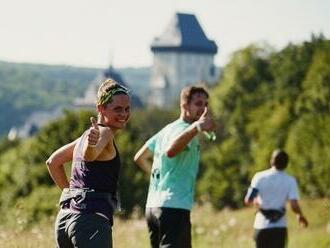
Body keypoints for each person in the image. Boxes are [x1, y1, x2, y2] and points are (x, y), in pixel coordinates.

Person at [46, 78, 131, 248]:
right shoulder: (105, 132)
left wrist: (71, 195)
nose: (124, 114)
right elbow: (90, 156)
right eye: (117, 109)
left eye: (127, 109)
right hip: (90, 222)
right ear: (100, 109)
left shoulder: (84, 137)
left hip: (65, 218)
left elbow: (53, 162)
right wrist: (92, 147)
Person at [134, 85, 215, 248]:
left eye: (206, 104)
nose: (204, 109)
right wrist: (196, 127)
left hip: (153, 207)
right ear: (185, 105)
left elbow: (139, 158)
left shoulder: (166, 130)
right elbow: (171, 151)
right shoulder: (187, 130)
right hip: (174, 206)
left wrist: (163, 176)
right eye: (198, 104)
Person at [244, 149, 308, 248]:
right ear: (286, 164)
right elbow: (294, 205)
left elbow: (248, 200)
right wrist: (300, 215)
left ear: (271, 161)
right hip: (279, 227)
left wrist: (256, 202)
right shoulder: (290, 180)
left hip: (261, 225)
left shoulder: (259, 177)